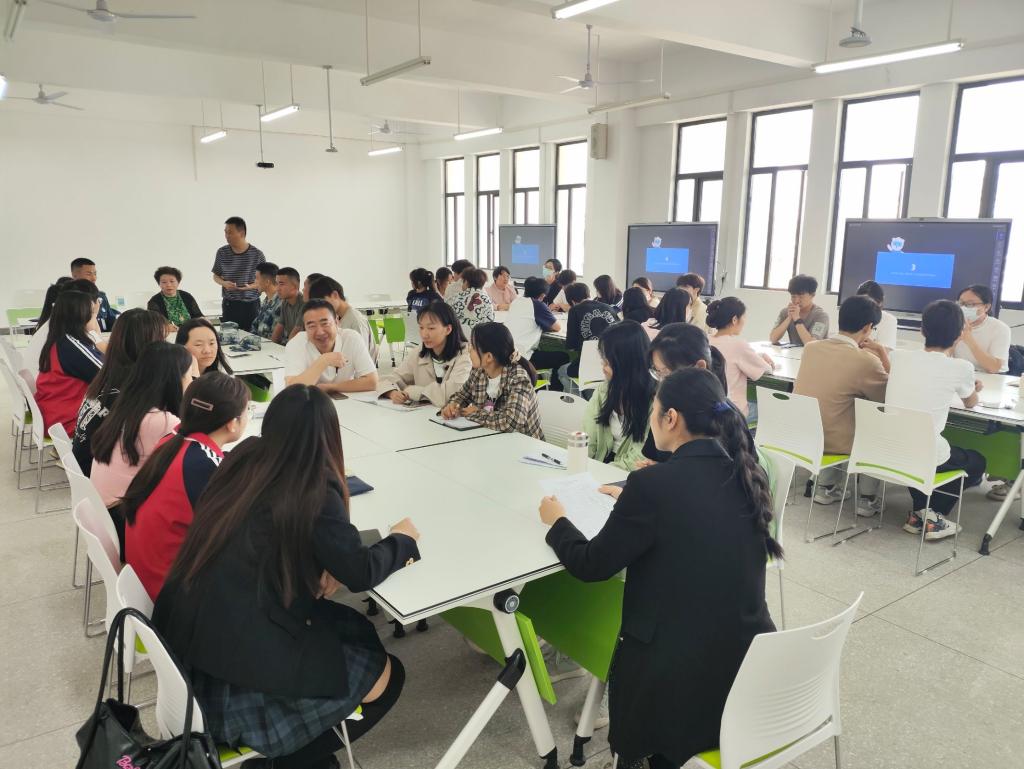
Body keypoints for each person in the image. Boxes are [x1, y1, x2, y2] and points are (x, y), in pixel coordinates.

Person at [152, 385, 420, 768]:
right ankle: (285, 760)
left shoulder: (244, 456)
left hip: (191, 643)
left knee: (351, 632)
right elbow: (360, 572)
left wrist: (322, 561)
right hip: (239, 663)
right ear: (329, 435)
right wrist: (403, 540)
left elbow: (262, 533)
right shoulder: (314, 485)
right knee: (386, 677)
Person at [539, 366, 780, 769]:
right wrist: (634, 503)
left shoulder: (653, 485)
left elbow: (592, 565)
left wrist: (558, 522)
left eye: (654, 410)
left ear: (671, 418)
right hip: (743, 670)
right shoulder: (747, 474)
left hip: (674, 688)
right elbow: (695, 518)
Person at [121, 373, 250, 599]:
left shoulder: (173, 439)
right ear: (232, 423)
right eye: (248, 410)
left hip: (145, 575)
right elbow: (241, 533)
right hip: (169, 593)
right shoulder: (204, 466)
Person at [887, 300, 985, 538]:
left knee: (921, 450)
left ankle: (920, 513)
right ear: (959, 335)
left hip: (889, 447)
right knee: (977, 462)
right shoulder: (961, 367)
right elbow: (971, 402)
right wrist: (973, 387)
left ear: (922, 330)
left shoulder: (898, 357)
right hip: (923, 452)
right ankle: (932, 516)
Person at [91, 342, 197, 555]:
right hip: (124, 524)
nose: (193, 383)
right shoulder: (162, 421)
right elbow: (193, 461)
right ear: (174, 381)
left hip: (104, 517)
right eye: (190, 377)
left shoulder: (129, 407)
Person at [793, 296, 890, 512]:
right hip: (834, 441)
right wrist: (882, 354)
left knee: (833, 408)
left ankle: (826, 487)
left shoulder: (811, 348)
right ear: (868, 328)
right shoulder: (866, 360)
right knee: (875, 423)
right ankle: (867, 499)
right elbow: (887, 398)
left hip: (802, 435)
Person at [72, 309, 166, 476]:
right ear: (148, 345)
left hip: (87, 470)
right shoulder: (130, 390)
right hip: (102, 476)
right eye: (162, 340)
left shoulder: (110, 376)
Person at [643, 323, 728, 464]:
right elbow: (654, 458)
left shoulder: (723, 416)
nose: (661, 382)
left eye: (666, 373)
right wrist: (653, 468)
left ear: (699, 367)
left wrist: (660, 473)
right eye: (657, 372)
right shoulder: (665, 405)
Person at [442, 322, 543, 438]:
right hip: (490, 438)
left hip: (522, 443)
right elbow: (462, 395)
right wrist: (453, 406)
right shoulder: (479, 371)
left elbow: (512, 421)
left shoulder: (518, 378)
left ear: (489, 357)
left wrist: (475, 414)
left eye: (473, 347)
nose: (469, 350)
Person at [583, 321, 655, 472]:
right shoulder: (604, 390)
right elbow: (588, 438)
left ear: (627, 364)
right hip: (602, 466)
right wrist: (581, 464)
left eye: (607, 362)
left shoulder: (655, 401)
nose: (603, 367)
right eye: (603, 359)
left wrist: (599, 472)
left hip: (629, 473)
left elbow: (640, 457)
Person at [35, 290, 104, 436]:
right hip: (68, 422)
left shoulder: (61, 341)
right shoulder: (71, 347)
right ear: (81, 316)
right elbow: (110, 375)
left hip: (55, 415)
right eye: (92, 313)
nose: (95, 318)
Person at [377, 302, 471, 407]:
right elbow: (389, 379)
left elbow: (453, 394)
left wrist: (411, 391)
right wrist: (392, 392)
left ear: (448, 329)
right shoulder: (419, 352)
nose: (424, 335)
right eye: (421, 328)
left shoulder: (466, 355)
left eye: (431, 328)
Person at [285, 299, 378, 394]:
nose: (320, 332)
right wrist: (324, 360)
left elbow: (372, 381)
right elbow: (292, 390)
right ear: (305, 328)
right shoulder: (297, 343)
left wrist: (331, 387)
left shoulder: (351, 338)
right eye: (312, 326)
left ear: (337, 322)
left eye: (325, 323)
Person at [707, 297, 775, 419]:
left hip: (708, 409)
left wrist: (758, 355)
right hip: (733, 412)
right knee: (769, 410)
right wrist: (765, 361)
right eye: (744, 317)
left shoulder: (705, 339)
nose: (745, 321)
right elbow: (767, 369)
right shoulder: (738, 345)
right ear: (734, 319)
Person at [26, 279, 102, 383]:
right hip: (60, 390)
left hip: (49, 387)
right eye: (92, 311)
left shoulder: (58, 332)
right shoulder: (70, 344)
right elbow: (106, 375)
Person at [560, 283, 618, 392]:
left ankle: (581, 400)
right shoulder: (609, 308)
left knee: (562, 371)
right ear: (588, 294)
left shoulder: (575, 310)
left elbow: (571, 346)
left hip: (589, 365)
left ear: (572, 301)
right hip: (614, 364)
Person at [212, 216, 265, 331]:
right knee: (229, 336)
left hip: (251, 305)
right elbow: (216, 276)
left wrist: (250, 287)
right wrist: (224, 283)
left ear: (242, 233)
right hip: (230, 304)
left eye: (230, 232)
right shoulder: (222, 252)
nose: (226, 235)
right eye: (225, 232)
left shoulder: (257, 254)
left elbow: (263, 281)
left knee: (252, 336)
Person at [516, 276, 570, 391]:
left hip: (510, 354)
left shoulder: (516, 301)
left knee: (539, 350)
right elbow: (557, 327)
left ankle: (538, 383)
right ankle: (554, 391)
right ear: (542, 295)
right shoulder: (537, 305)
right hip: (524, 358)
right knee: (563, 357)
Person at [308, 276, 377, 358]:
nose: (322, 309)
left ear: (335, 295)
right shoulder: (339, 317)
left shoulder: (355, 321)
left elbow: (361, 357)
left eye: (324, 303)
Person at [955, 284, 1010, 374]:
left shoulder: (1000, 328)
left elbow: (994, 368)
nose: (963, 308)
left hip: (992, 376)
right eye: (961, 303)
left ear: (986, 307)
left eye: (970, 304)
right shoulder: (953, 323)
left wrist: (969, 340)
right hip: (960, 373)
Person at [770, 274, 829, 346]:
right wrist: (789, 317)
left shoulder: (821, 316)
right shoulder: (786, 312)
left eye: (801, 297)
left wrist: (797, 319)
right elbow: (773, 339)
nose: (796, 301)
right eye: (793, 296)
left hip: (815, 353)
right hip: (794, 353)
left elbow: (811, 344)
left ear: (812, 295)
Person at [147, 266, 204, 333]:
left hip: (191, 332)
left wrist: (203, 320)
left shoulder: (186, 296)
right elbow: (154, 324)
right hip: (169, 334)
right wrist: (165, 327)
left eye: (172, 281)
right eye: (164, 282)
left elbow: (198, 315)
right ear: (159, 284)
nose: (168, 285)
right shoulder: (154, 302)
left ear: (178, 282)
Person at [70, 258, 120, 332]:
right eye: (88, 274)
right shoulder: (69, 299)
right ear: (74, 276)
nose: (94, 278)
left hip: (103, 337)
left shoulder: (101, 297)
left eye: (95, 274)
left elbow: (111, 321)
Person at [450, 268, 495, 333]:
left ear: (466, 282)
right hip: (481, 335)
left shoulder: (456, 298)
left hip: (459, 334)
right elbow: (491, 319)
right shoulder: (487, 300)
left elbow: (450, 318)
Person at [856, 280, 898, 349]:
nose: (867, 309)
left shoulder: (889, 320)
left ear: (881, 302)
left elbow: (885, 351)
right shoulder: (850, 314)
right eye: (863, 303)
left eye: (872, 304)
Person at [273, 267, 304, 343]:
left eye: (281, 284)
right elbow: (279, 328)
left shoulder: (304, 304)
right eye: (277, 284)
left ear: (295, 286)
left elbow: (296, 333)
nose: (277, 289)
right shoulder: (285, 302)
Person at [251, 262, 281, 340]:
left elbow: (274, 335)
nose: (254, 281)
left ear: (267, 282)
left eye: (257, 278)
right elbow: (255, 325)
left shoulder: (281, 304)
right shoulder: (266, 301)